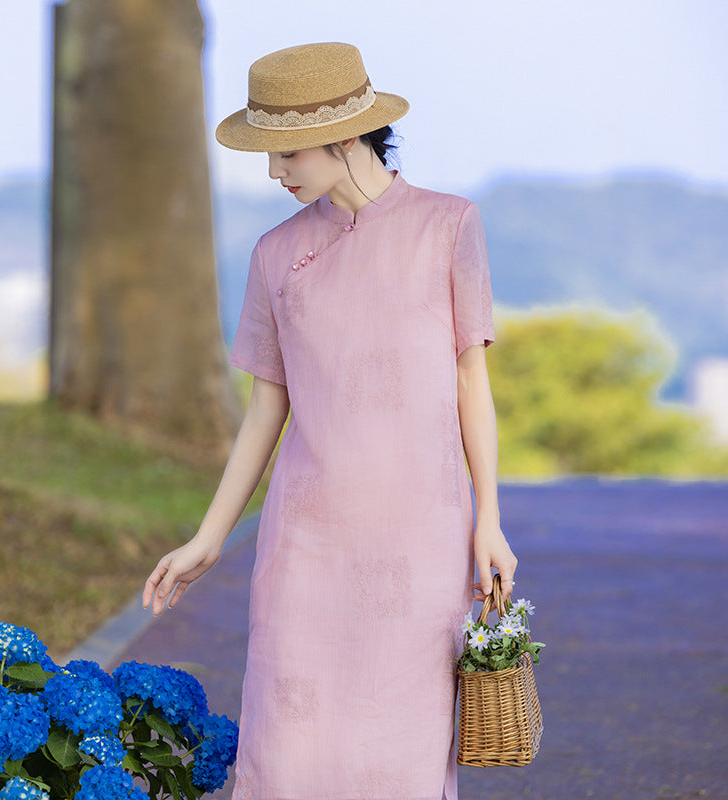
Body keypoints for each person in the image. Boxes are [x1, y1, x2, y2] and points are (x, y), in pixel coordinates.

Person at [143, 41, 517, 800]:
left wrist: (490, 521)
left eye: (288, 153)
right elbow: (265, 411)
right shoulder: (275, 254)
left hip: (420, 543)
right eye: (267, 156)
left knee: (403, 750)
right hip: (305, 545)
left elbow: (470, 381)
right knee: (289, 752)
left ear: (348, 137)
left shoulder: (449, 226)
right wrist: (208, 537)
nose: (275, 174)